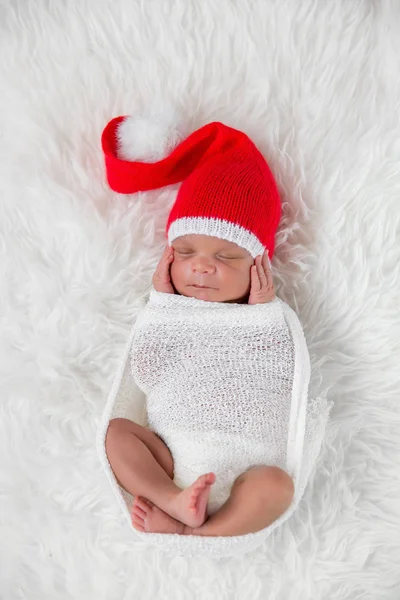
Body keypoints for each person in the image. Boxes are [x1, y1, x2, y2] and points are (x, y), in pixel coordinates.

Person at [100, 118, 312, 544]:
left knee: (277, 487)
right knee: (118, 434)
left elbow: (282, 382)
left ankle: (199, 529)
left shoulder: (268, 319)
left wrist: (262, 316)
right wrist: (161, 307)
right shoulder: (168, 312)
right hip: (171, 460)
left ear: (259, 267)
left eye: (227, 256)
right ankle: (172, 500)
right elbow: (147, 373)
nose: (201, 265)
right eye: (185, 251)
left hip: (247, 472)